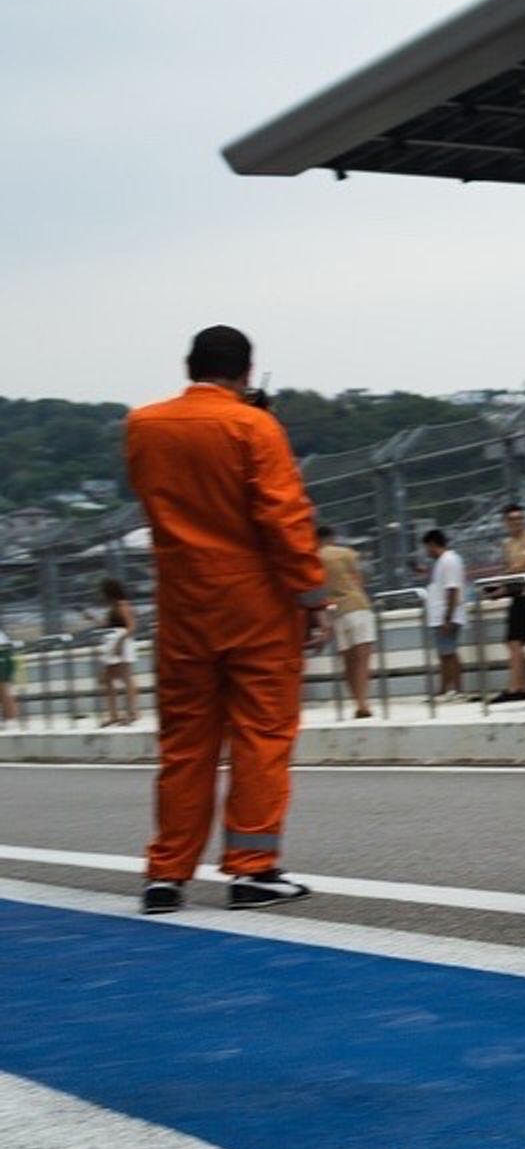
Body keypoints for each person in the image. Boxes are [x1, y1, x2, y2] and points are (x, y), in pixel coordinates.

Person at [121, 324, 331, 913]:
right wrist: (313, 598)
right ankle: (251, 869)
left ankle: (166, 874)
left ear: (190, 365)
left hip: (183, 605)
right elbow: (284, 519)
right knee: (261, 736)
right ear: (245, 371)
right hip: (254, 605)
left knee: (186, 745)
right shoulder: (254, 426)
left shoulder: (142, 426)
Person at [315, 523, 377, 714]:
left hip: (336, 612)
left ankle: (356, 702)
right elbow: (359, 581)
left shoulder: (314, 559)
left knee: (348, 661)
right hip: (358, 606)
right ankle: (362, 703)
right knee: (363, 659)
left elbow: (316, 592)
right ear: (332, 537)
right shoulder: (346, 553)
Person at [493, 502, 525, 703]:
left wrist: (508, 573)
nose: (517, 522)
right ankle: (520, 686)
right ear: (505, 522)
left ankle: (516, 687)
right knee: (512, 642)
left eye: (520, 518)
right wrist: (499, 590)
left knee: (515, 642)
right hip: (517, 595)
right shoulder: (507, 544)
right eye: (512, 519)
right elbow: (511, 572)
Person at [422, 527, 469, 696]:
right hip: (441, 615)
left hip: (447, 615)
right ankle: (444, 689)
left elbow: (453, 590)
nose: (426, 552)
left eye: (427, 547)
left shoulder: (449, 560)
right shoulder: (442, 562)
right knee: (444, 654)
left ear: (433, 544)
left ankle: (456, 689)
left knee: (449, 653)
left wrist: (447, 617)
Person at [96, 577, 140, 726]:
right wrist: (93, 620)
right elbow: (108, 625)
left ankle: (132, 713)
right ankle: (114, 714)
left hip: (122, 642)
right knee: (108, 679)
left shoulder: (122, 605)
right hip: (114, 641)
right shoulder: (113, 607)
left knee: (126, 677)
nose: (100, 595)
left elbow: (132, 626)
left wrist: (120, 642)